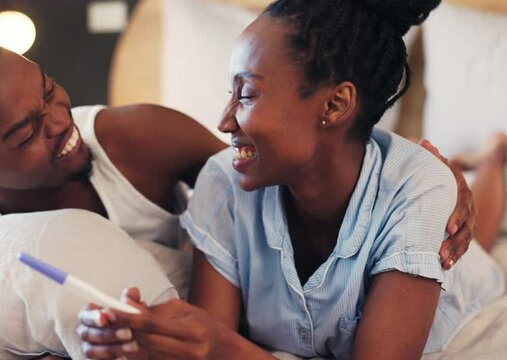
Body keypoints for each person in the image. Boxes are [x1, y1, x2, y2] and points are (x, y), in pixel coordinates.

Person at [0, 11, 473, 268]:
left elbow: (285, 175)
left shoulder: (136, 137)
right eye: (26, 131)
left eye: (50, 92)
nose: (62, 123)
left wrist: (419, 174)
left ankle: (491, 160)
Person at [77, 0, 505, 359]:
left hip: (464, 298)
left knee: (473, 248)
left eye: (246, 94)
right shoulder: (223, 184)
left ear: (336, 104)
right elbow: (206, 340)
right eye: (230, 93)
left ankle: (494, 155)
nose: (225, 121)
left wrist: (220, 345)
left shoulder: (418, 189)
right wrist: (148, 342)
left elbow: (219, 344)